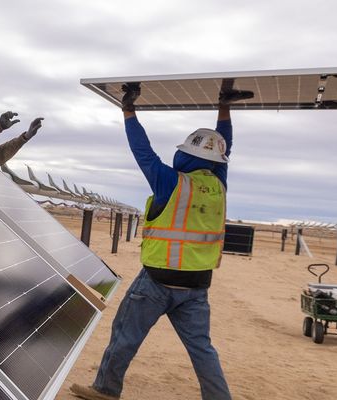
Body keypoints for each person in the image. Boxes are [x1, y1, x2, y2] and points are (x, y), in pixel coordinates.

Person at [69, 83, 252, 400]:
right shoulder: (218, 184)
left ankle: (106, 389)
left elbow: (142, 150)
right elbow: (224, 148)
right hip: (196, 286)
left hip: (156, 281)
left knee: (126, 335)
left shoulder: (170, 182)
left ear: (185, 155)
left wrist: (128, 111)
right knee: (202, 349)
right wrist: (225, 108)